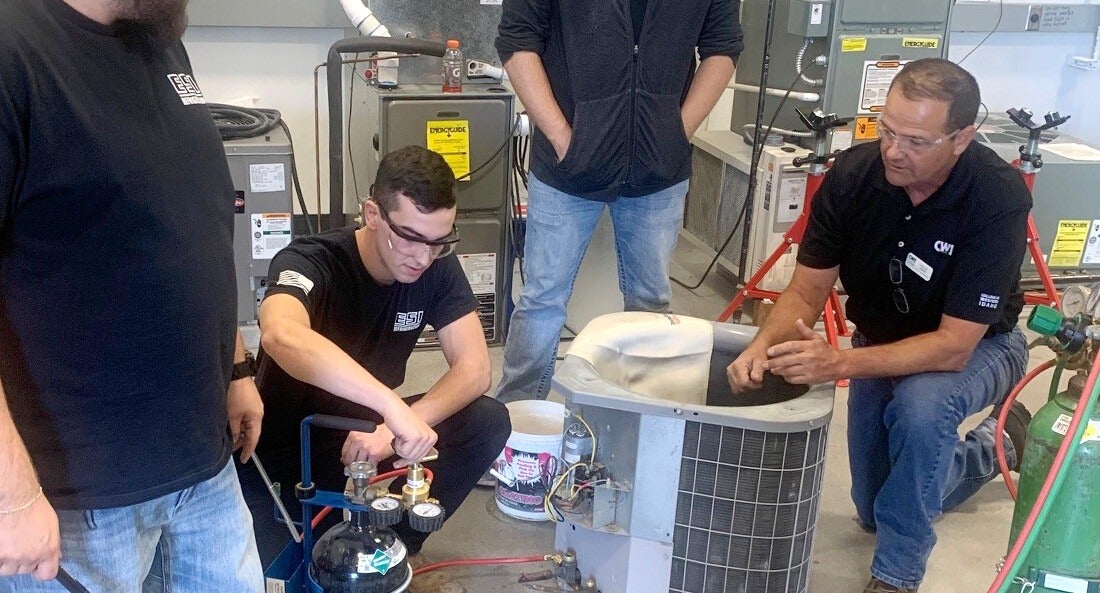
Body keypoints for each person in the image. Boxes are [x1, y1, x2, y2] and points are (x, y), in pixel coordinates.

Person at [726, 58, 1032, 593]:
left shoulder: (996, 195)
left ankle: (896, 574)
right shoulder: (854, 176)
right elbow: (805, 288)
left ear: (962, 138)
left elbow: (954, 348)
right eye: (886, 130)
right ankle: (995, 448)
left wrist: (839, 362)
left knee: (922, 408)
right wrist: (761, 345)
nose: (894, 150)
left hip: (983, 346)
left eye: (916, 140)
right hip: (880, 342)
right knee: (874, 505)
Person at [0, 0, 268, 591]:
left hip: (201, 468)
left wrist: (235, 366)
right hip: (76, 499)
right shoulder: (14, 52)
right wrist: (10, 498)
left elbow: (187, 217)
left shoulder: (158, 36)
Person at [244, 145, 509, 563]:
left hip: (369, 436)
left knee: (488, 420)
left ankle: (396, 545)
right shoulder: (313, 262)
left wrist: (393, 428)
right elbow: (280, 334)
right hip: (288, 451)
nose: (423, 257)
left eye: (440, 241)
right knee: (293, 572)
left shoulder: (436, 265)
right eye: (409, 238)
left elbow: (475, 368)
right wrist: (390, 407)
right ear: (372, 215)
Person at [493, 0, 744, 403]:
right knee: (542, 300)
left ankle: (640, 414)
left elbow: (722, 46)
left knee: (650, 302)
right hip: (567, 166)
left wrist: (677, 133)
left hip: (657, 169)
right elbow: (517, 40)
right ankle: (514, 421)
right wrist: (562, 139)